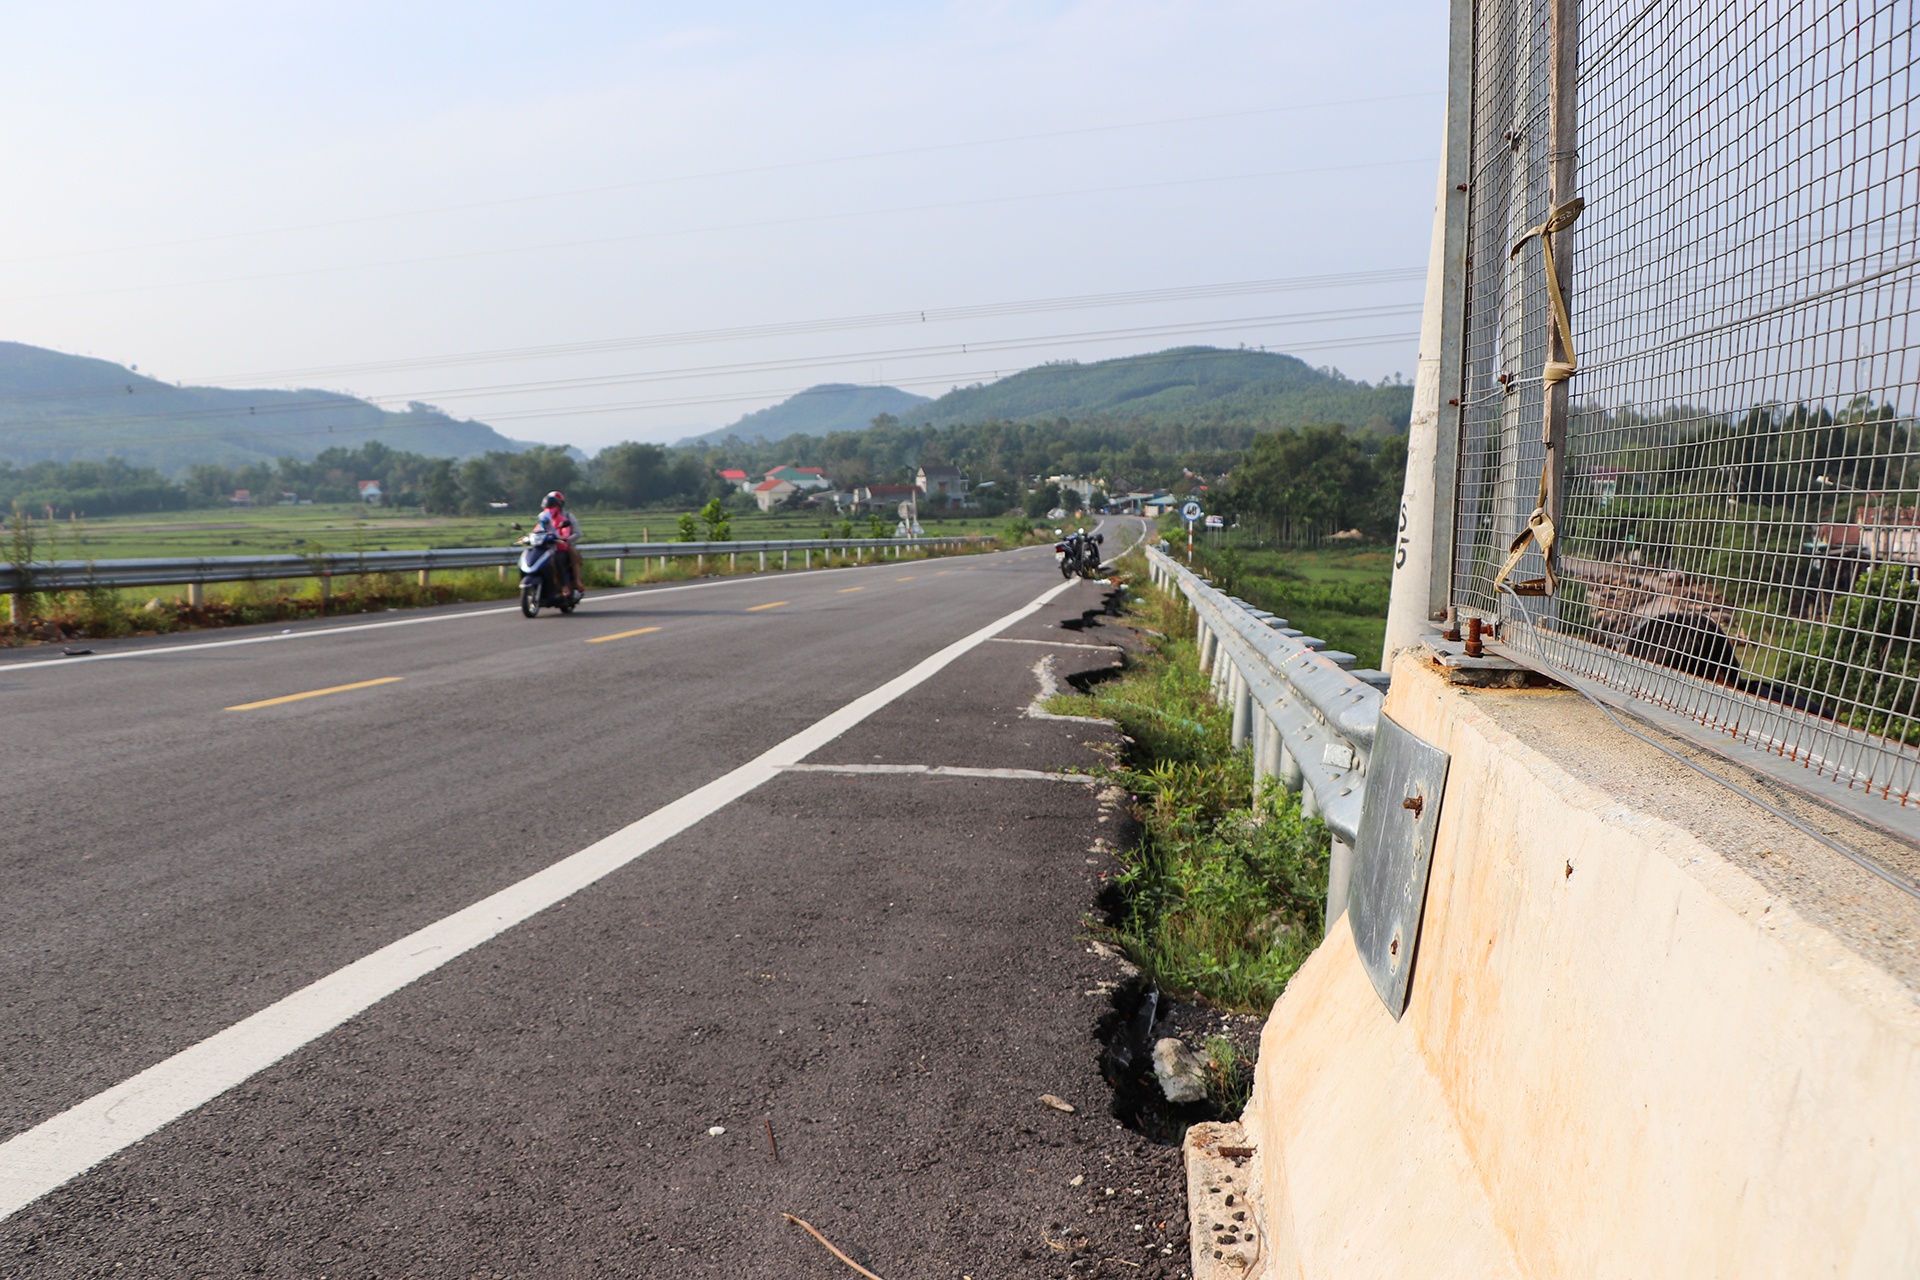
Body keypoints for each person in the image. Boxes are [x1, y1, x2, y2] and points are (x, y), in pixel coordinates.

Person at [536, 491, 583, 598]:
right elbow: (538, 530)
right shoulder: (544, 517)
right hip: (548, 546)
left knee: (570, 553)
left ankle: (576, 582)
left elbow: (577, 533)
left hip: (564, 546)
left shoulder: (567, 517)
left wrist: (565, 540)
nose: (550, 508)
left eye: (553, 505)